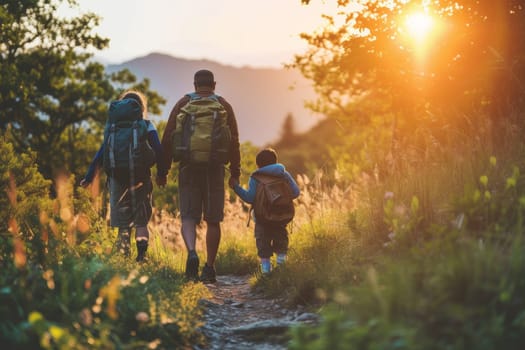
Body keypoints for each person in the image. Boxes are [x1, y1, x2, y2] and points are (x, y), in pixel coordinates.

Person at [159, 69, 241, 283]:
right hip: (215, 169)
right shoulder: (223, 105)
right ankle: (210, 267)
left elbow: (167, 138)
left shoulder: (183, 104)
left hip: (188, 168)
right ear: (214, 84)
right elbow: (234, 141)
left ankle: (192, 253)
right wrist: (235, 173)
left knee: (188, 216)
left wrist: (163, 171)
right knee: (213, 219)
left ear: (195, 85)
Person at [80, 90, 168, 262]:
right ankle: (141, 256)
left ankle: (123, 258)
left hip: (117, 178)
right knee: (141, 221)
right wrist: (161, 173)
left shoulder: (113, 127)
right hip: (141, 177)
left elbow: (102, 152)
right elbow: (158, 149)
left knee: (123, 222)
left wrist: (89, 177)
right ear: (141, 108)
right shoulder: (146, 124)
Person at [232, 148, 300, 274]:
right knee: (281, 241)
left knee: (263, 243)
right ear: (275, 161)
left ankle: (266, 272)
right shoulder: (283, 174)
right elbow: (296, 192)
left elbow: (250, 198)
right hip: (281, 217)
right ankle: (282, 268)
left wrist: (236, 187)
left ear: (258, 164)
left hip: (262, 218)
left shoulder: (256, 177)